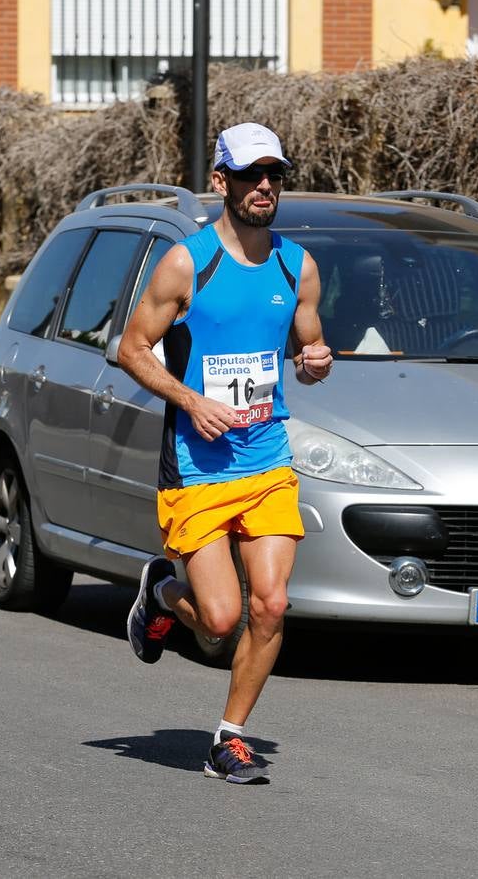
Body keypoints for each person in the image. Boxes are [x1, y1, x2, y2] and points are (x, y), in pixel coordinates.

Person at [117, 122, 332, 784]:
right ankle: (161, 593)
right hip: (197, 466)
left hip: (266, 460)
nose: (264, 187)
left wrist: (317, 358)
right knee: (218, 620)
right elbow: (129, 348)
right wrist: (191, 400)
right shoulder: (189, 263)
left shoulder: (297, 266)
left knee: (270, 605)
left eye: (274, 175)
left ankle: (229, 738)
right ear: (222, 183)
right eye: (249, 175)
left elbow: (307, 345)